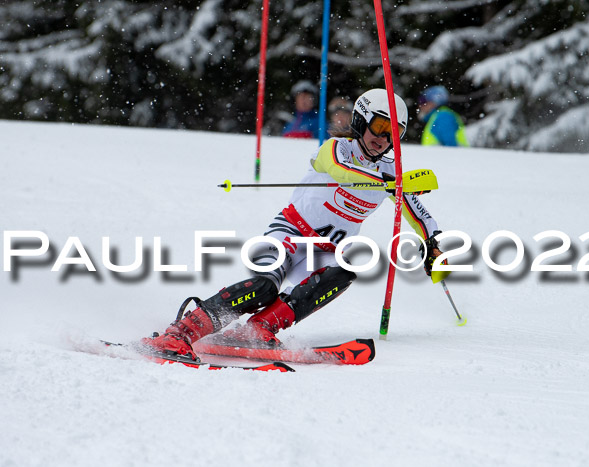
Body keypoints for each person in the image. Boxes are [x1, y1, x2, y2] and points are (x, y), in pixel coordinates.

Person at [142, 89, 446, 359]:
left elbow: (416, 212)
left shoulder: (392, 171)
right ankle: (181, 332)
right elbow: (340, 172)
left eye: (394, 132)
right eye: (380, 126)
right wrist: (389, 183)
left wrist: (432, 242)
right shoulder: (336, 148)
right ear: (361, 120)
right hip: (290, 233)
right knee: (264, 286)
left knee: (345, 270)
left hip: (324, 251)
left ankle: (259, 329)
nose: (383, 138)